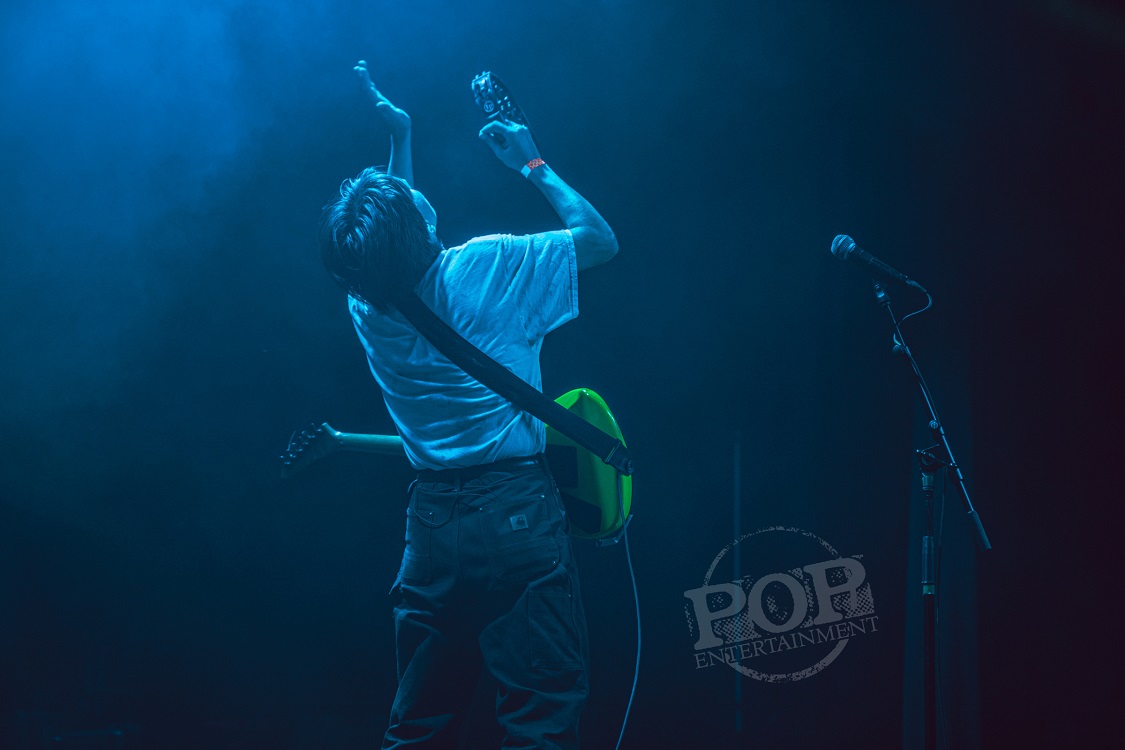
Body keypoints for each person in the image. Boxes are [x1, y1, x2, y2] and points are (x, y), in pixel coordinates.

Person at [318, 61, 618, 749]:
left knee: (420, 724)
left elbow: (391, 241)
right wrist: (532, 161)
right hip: (514, 508)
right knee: (540, 719)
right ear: (419, 228)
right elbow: (600, 241)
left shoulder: (367, 307)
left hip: (431, 526)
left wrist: (400, 136)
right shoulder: (484, 267)